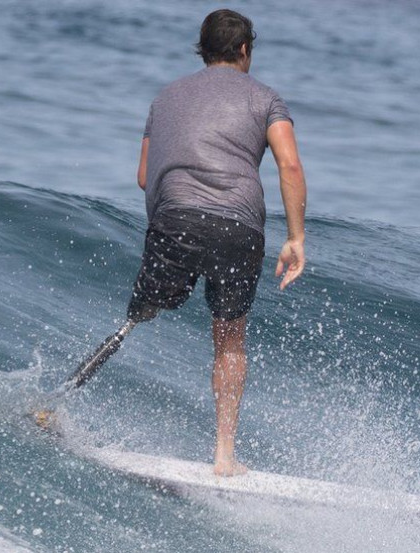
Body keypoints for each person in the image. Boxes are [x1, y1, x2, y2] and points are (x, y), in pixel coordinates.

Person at [126, 9, 307, 476]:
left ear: (202, 49)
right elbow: (288, 166)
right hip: (237, 229)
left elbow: (145, 176)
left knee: (138, 316)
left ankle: (64, 395)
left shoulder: (165, 98)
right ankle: (224, 456)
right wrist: (295, 238)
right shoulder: (267, 99)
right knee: (229, 339)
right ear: (245, 50)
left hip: (174, 220)